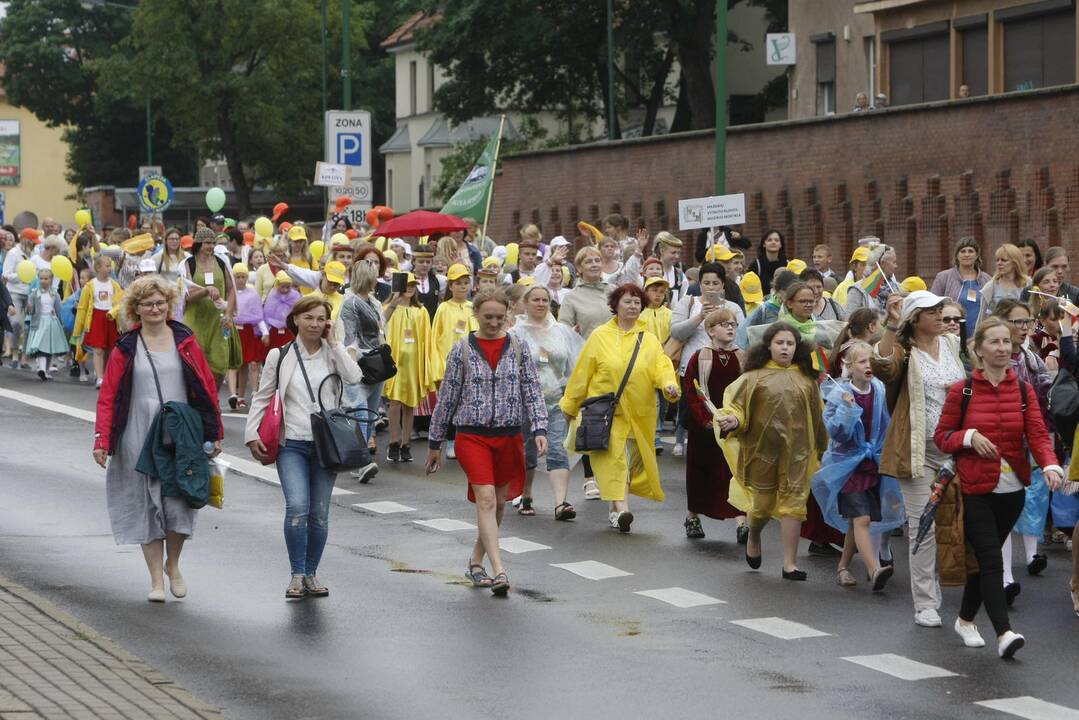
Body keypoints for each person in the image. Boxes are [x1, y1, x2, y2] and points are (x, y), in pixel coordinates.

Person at [934, 316, 1063, 658]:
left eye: (1007, 341)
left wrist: (1049, 463)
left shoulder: (1022, 389)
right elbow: (942, 438)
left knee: (983, 564)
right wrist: (969, 436)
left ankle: (964, 620)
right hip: (975, 489)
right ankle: (1004, 633)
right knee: (991, 560)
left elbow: (1036, 432)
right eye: (995, 342)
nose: (1003, 348)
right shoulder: (962, 390)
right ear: (977, 349)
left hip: (1013, 491)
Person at [93, 276, 222, 602]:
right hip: (138, 431)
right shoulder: (126, 346)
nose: (154, 308)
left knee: (179, 500)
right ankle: (155, 581)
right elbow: (108, 395)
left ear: (169, 305)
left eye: (160, 302)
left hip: (180, 433)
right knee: (146, 505)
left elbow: (206, 386)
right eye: (147, 304)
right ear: (136, 309)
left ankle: (173, 565)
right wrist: (102, 439)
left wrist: (214, 431)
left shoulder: (185, 340)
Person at [426, 289, 548, 595]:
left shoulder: (518, 347)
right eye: (487, 317)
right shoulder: (462, 349)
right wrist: (435, 441)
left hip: (509, 435)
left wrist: (540, 427)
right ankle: (500, 570)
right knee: (486, 499)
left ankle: (476, 561)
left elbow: (531, 388)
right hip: (472, 435)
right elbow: (448, 397)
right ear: (476, 315)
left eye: (499, 317)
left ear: (507, 314)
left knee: (499, 504)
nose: (494, 323)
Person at [244, 295, 363, 600]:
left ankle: (311, 574)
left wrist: (335, 342)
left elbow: (354, 377)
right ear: (295, 319)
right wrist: (251, 432)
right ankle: (297, 574)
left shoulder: (335, 352)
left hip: (327, 445)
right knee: (298, 507)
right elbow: (263, 395)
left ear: (328, 322)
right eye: (308, 317)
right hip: (292, 444)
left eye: (321, 318)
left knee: (320, 513)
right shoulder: (279, 355)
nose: (314, 324)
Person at [873, 290, 965, 627]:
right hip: (917, 451)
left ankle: (937, 581)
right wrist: (890, 323)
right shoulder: (904, 349)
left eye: (942, 308)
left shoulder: (953, 345)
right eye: (933, 310)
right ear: (915, 318)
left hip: (955, 450)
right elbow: (882, 365)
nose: (942, 315)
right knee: (922, 525)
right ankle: (925, 602)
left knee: (953, 523)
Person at [561, 283, 680, 533]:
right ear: (615, 306)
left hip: (639, 414)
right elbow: (582, 372)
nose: (633, 306)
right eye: (627, 301)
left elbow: (662, 366)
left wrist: (670, 386)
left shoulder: (648, 339)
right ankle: (624, 509)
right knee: (615, 461)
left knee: (627, 463)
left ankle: (615, 512)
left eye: (637, 302)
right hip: (606, 413)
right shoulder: (600, 336)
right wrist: (571, 404)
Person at [715, 322, 827, 580]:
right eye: (780, 343)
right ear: (768, 347)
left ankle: (790, 563)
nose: (785, 348)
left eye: (790, 343)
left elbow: (817, 417)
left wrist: (822, 448)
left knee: (795, 505)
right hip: (761, 451)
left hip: (798, 453)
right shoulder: (753, 377)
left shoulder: (807, 380)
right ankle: (754, 534)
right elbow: (736, 407)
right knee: (763, 506)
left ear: (797, 347)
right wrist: (733, 420)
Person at [812, 341, 900, 591]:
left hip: (872, 463)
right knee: (861, 518)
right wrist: (847, 410)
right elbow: (837, 434)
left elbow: (886, 424)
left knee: (857, 521)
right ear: (849, 367)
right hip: (847, 466)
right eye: (862, 361)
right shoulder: (840, 394)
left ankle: (843, 567)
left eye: (871, 360)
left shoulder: (879, 390)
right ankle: (874, 570)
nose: (868, 366)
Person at [510, 285, 584, 520]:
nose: (541, 304)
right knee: (527, 451)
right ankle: (526, 494)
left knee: (558, 449)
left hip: (555, 401)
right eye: (536, 299)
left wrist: (574, 398)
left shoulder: (561, 331)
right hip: (525, 402)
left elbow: (576, 364)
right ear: (526, 303)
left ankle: (561, 503)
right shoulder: (515, 333)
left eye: (545, 300)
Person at [682, 308, 747, 541]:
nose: (730, 328)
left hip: (733, 425)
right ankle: (692, 516)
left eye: (733, 324)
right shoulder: (700, 356)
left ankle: (742, 521)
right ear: (711, 331)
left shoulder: (742, 357)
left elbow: (748, 391)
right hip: (706, 427)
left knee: (734, 472)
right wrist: (706, 420)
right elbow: (692, 390)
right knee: (701, 471)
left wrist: (738, 419)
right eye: (724, 324)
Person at [670, 263, 745, 455]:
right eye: (706, 283)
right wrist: (699, 318)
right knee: (694, 411)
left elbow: (742, 335)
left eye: (715, 283)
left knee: (723, 411)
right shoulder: (688, 303)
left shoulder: (732, 307)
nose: (711, 287)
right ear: (700, 284)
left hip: (724, 368)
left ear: (722, 286)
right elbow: (676, 332)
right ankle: (683, 442)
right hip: (694, 365)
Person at [383, 273, 433, 463]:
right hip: (396, 362)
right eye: (407, 284)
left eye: (413, 285)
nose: (411, 288)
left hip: (413, 364)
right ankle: (394, 442)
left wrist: (425, 365)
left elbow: (426, 339)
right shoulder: (390, 309)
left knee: (410, 405)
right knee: (394, 402)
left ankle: (406, 444)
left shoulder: (421, 311)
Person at [183, 227, 236, 378]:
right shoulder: (189, 264)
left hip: (217, 320)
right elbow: (186, 296)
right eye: (207, 243)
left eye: (213, 242)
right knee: (194, 363)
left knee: (219, 363)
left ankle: (214, 399)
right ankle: (199, 398)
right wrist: (205, 291)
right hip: (195, 320)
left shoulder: (221, 262)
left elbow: (231, 290)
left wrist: (228, 314)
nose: (211, 246)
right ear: (199, 243)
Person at [74, 255, 124, 388]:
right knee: (98, 349)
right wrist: (78, 329)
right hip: (96, 317)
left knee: (109, 349)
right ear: (98, 268)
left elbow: (120, 302)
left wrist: (115, 313)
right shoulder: (90, 285)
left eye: (110, 266)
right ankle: (100, 378)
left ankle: (106, 375)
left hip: (110, 318)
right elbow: (83, 308)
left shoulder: (114, 284)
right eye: (107, 266)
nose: (110, 268)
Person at [930, 237, 993, 328]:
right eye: (963, 251)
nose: (967, 255)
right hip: (951, 331)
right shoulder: (943, 277)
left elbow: (992, 308)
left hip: (980, 333)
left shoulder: (987, 279)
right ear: (957, 255)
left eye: (970, 251)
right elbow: (933, 306)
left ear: (977, 255)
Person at [227, 263, 265, 410]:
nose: (241, 280)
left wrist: (264, 332)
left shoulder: (252, 294)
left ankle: (241, 396)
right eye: (238, 277)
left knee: (245, 363)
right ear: (233, 277)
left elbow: (258, 315)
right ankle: (232, 394)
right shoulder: (229, 292)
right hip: (232, 329)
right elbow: (225, 311)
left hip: (248, 331)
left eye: (243, 277)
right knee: (232, 363)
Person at [735, 269, 799, 350]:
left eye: (793, 292)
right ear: (777, 290)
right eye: (786, 291)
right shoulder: (766, 309)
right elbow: (743, 334)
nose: (789, 296)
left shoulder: (799, 308)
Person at [559, 246, 613, 339]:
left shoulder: (614, 291)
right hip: (587, 351)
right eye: (588, 262)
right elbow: (563, 332)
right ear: (579, 268)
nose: (594, 264)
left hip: (615, 350)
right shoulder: (571, 297)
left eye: (597, 260)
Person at [24, 269, 68, 381]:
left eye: (46, 278)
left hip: (51, 322)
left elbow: (59, 310)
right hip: (39, 323)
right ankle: (42, 369)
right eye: (41, 278)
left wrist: (61, 321)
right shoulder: (34, 294)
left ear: (51, 280)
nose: (43, 281)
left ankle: (46, 370)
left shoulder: (54, 294)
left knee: (48, 348)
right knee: (41, 347)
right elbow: (31, 310)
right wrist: (29, 309)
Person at [980, 244, 1027, 320]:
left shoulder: (1028, 284)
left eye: (1003, 260)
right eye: (997, 260)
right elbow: (983, 318)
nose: (999, 263)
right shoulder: (990, 287)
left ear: (1015, 263)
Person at [846, 244, 898, 315]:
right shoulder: (857, 290)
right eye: (894, 262)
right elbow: (850, 321)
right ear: (882, 264)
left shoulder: (896, 288)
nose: (896, 266)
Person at [263, 271, 301, 351]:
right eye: (282, 287)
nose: (285, 290)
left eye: (288, 287)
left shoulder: (295, 296)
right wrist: (265, 333)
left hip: (289, 330)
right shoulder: (272, 296)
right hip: (274, 331)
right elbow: (267, 315)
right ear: (277, 285)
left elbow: (298, 312)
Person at [749, 230, 788, 296]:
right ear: (764, 244)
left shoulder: (788, 264)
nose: (773, 242)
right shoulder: (756, 265)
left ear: (781, 244)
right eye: (769, 240)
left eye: (776, 240)